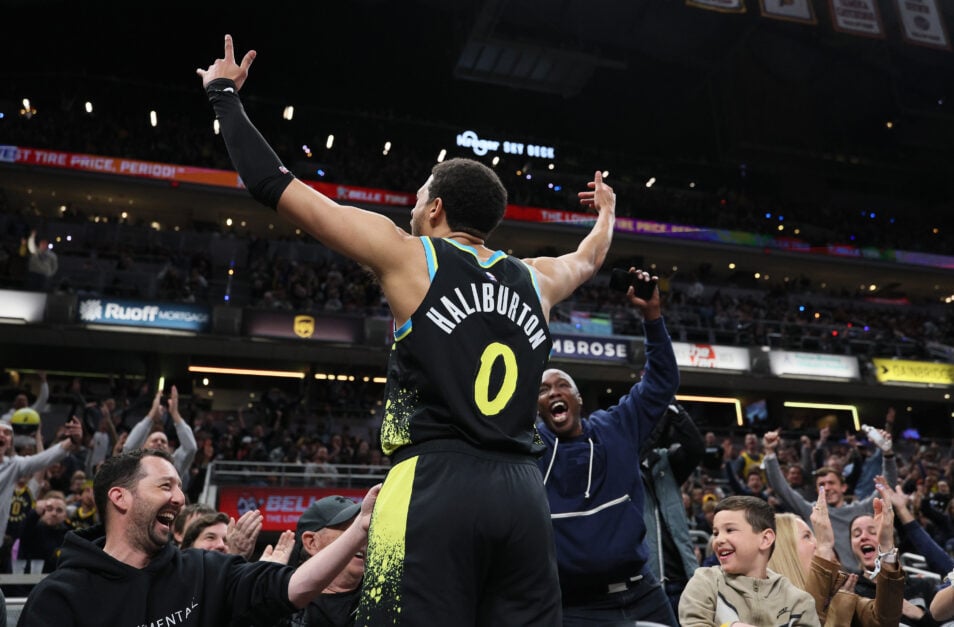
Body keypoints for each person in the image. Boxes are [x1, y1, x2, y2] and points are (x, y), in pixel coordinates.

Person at [199, 34, 616, 626]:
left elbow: (276, 186)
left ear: (438, 209)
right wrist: (607, 212)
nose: (412, 207)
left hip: (432, 482)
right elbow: (591, 258)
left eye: (420, 197)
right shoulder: (538, 279)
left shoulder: (410, 256)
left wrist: (222, 96)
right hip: (524, 492)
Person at [18, 449, 380, 626]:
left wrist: (360, 529)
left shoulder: (205, 572)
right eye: (165, 485)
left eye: (180, 486)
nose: (179, 497)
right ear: (120, 497)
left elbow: (295, 588)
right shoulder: (60, 598)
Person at [536, 269, 679, 626]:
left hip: (642, 594)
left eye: (562, 386)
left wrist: (652, 317)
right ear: (535, 407)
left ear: (579, 399)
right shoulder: (529, 448)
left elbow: (662, 382)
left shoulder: (617, 426)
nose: (554, 392)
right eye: (542, 390)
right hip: (573, 607)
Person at [762, 427, 897, 573]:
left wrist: (888, 454)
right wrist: (770, 453)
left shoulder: (861, 510)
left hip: (864, 578)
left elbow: (886, 488)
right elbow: (782, 489)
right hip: (827, 582)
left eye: (831, 483)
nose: (826, 488)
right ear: (816, 490)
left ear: (843, 487)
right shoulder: (812, 511)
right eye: (821, 485)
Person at [768, 484, 903, 626]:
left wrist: (887, 547)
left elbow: (885, 622)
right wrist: (839, 612)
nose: (816, 542)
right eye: (807, 536)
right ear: (786, 551)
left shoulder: (838, 591)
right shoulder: (771, 606)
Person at [678, 495, 820, 627]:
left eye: (730, 530)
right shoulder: (705, 582)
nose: (719, 540)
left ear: (765, 539)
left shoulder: (799, 601)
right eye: (716, 533)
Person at [641, 401, 705, 617]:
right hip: (645, 585)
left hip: (682, 580)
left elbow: (696, 447)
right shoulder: (622, 468)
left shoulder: (666, 460)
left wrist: (672, 405)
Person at [0, 416, 81, 572]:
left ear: (10, 442)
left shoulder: (13, 466)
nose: (2, 435)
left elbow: (43, 460)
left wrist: (71, 441)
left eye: (7, 433)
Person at [275, 495, 366, 627]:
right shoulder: (278, 608)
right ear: (312, 543)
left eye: (364, 531)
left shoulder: (386, 601)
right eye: (350, 531)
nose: (362, 538)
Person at [123, 386, 197, 489]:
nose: (159, 443)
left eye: (163, 441)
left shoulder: (174, 465)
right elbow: (128, 447)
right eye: (154, 440)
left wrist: (175, 414)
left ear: (169, 449)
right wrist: (151, 414)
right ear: (143, 447)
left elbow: (191, 448)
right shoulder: (137, 462)